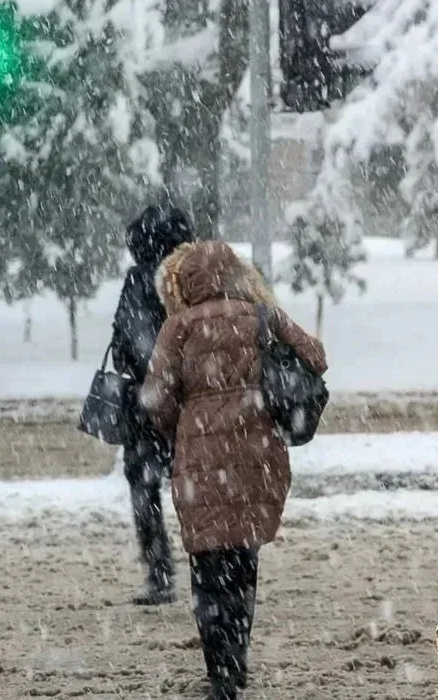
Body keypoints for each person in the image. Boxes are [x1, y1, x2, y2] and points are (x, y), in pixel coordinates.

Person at [141, 240, 327, 700]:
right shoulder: (261, 315)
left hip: (198, 463)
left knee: (207, 568)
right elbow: (316, 357)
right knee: (243, 563)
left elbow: (156, 399)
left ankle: (219, 672)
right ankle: (237, 661)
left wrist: (180, 424)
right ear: (235, 274)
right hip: (256, 457)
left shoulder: (177, 328)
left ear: (186, 283)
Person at [108, 203, 194, 605]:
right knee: (197, 485)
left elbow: (128, 341)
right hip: (193, 399)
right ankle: (209, 565)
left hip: (147, 404)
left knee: (144, 487)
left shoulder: (141, 280)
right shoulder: (194, 277)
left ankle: (160, 573)